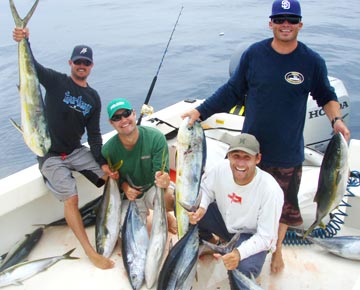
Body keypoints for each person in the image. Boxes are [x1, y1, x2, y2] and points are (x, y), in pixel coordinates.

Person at [182, 0, 351, 274]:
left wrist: (337, 121)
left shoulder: (311, 61)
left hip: (287, 152)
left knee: (283, 208)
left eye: (292, 20)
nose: (286, 24)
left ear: (300, 24)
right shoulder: (254, 55)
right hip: (249, 149)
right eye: (280, 19)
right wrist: (200, 112)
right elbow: (231, 91)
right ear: (270, 23)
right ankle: (239, 239)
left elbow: (327, 97)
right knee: (243, 197)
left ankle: (277, 249)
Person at [13, 28, 116, 269]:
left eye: (86, 62)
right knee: (72, 198)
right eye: (78, 61)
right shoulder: (56, 81)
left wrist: (101, 161)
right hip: (50, 155)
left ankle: (113, 226)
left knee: (112, 177)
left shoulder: (93, 97)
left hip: (76, 151)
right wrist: (24, 40)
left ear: (91, 66)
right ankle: (91, 252)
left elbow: (94, 135)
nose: (82, 65)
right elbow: (33, 68)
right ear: (70, 63)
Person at [188, 134, 283, 288]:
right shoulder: (221, 168)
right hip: (225, 223)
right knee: (188, 208)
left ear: (257, 159)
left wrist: (239, 253)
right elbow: (206, 190)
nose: (240, 163)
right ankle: (210, 242)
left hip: (250, 235)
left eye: (247, 157)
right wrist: (202, 208)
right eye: (235, 156)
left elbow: (266, 237)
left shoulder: (270, 190)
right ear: (229, 156)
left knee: (242, 267)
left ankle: (239, 259)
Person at [101, 98, 177, 233]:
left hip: (151, 187)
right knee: (123, 234)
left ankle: (166, 214)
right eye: (117, 117)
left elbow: (161, 172)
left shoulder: (155, 138)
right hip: (130, 196)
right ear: (111, 123)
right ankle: (143, 213)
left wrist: (164, 179)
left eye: (126, 114)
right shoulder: (108, 150)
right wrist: (124, 187)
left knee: (171, 198)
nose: (123, 120)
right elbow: (108, 178)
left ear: (134, 113)